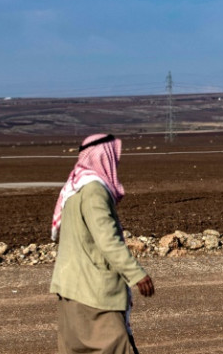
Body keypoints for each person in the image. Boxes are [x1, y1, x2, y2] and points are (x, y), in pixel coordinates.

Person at [50, 133, 155, 354]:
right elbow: (108, 241)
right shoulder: (94, 192)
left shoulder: (74, 191)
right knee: (117, 346)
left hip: (71, 287)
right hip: (92, 292)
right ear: (103, 158)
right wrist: (136, 274)